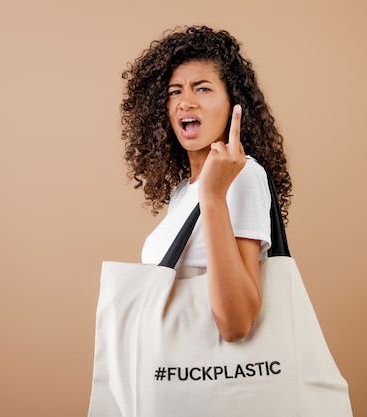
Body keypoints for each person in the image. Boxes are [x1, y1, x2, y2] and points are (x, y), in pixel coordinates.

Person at [120, 25, 292, 342]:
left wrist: (212, 198)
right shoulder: (182, 191)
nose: (186, 102)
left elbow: (236, 325)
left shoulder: (242, 175)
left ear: (233, 104)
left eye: (202, 89)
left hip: (217, 379)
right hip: (179, 374)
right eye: (175, 92)